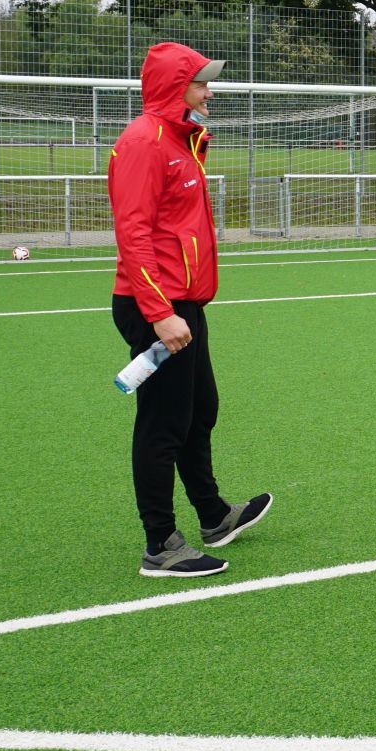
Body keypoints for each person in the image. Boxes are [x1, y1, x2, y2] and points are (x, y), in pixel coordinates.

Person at [109, 42, 271, 578]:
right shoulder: (143, 142)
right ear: (174, 86)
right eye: (200, 82)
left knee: (200, 410)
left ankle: (213, 514)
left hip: (183, 301)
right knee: (163, 425)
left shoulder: (180, 140)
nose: (209, 91)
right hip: (155, 304)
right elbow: (133, 235)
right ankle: (160, 544)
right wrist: (160, 312)